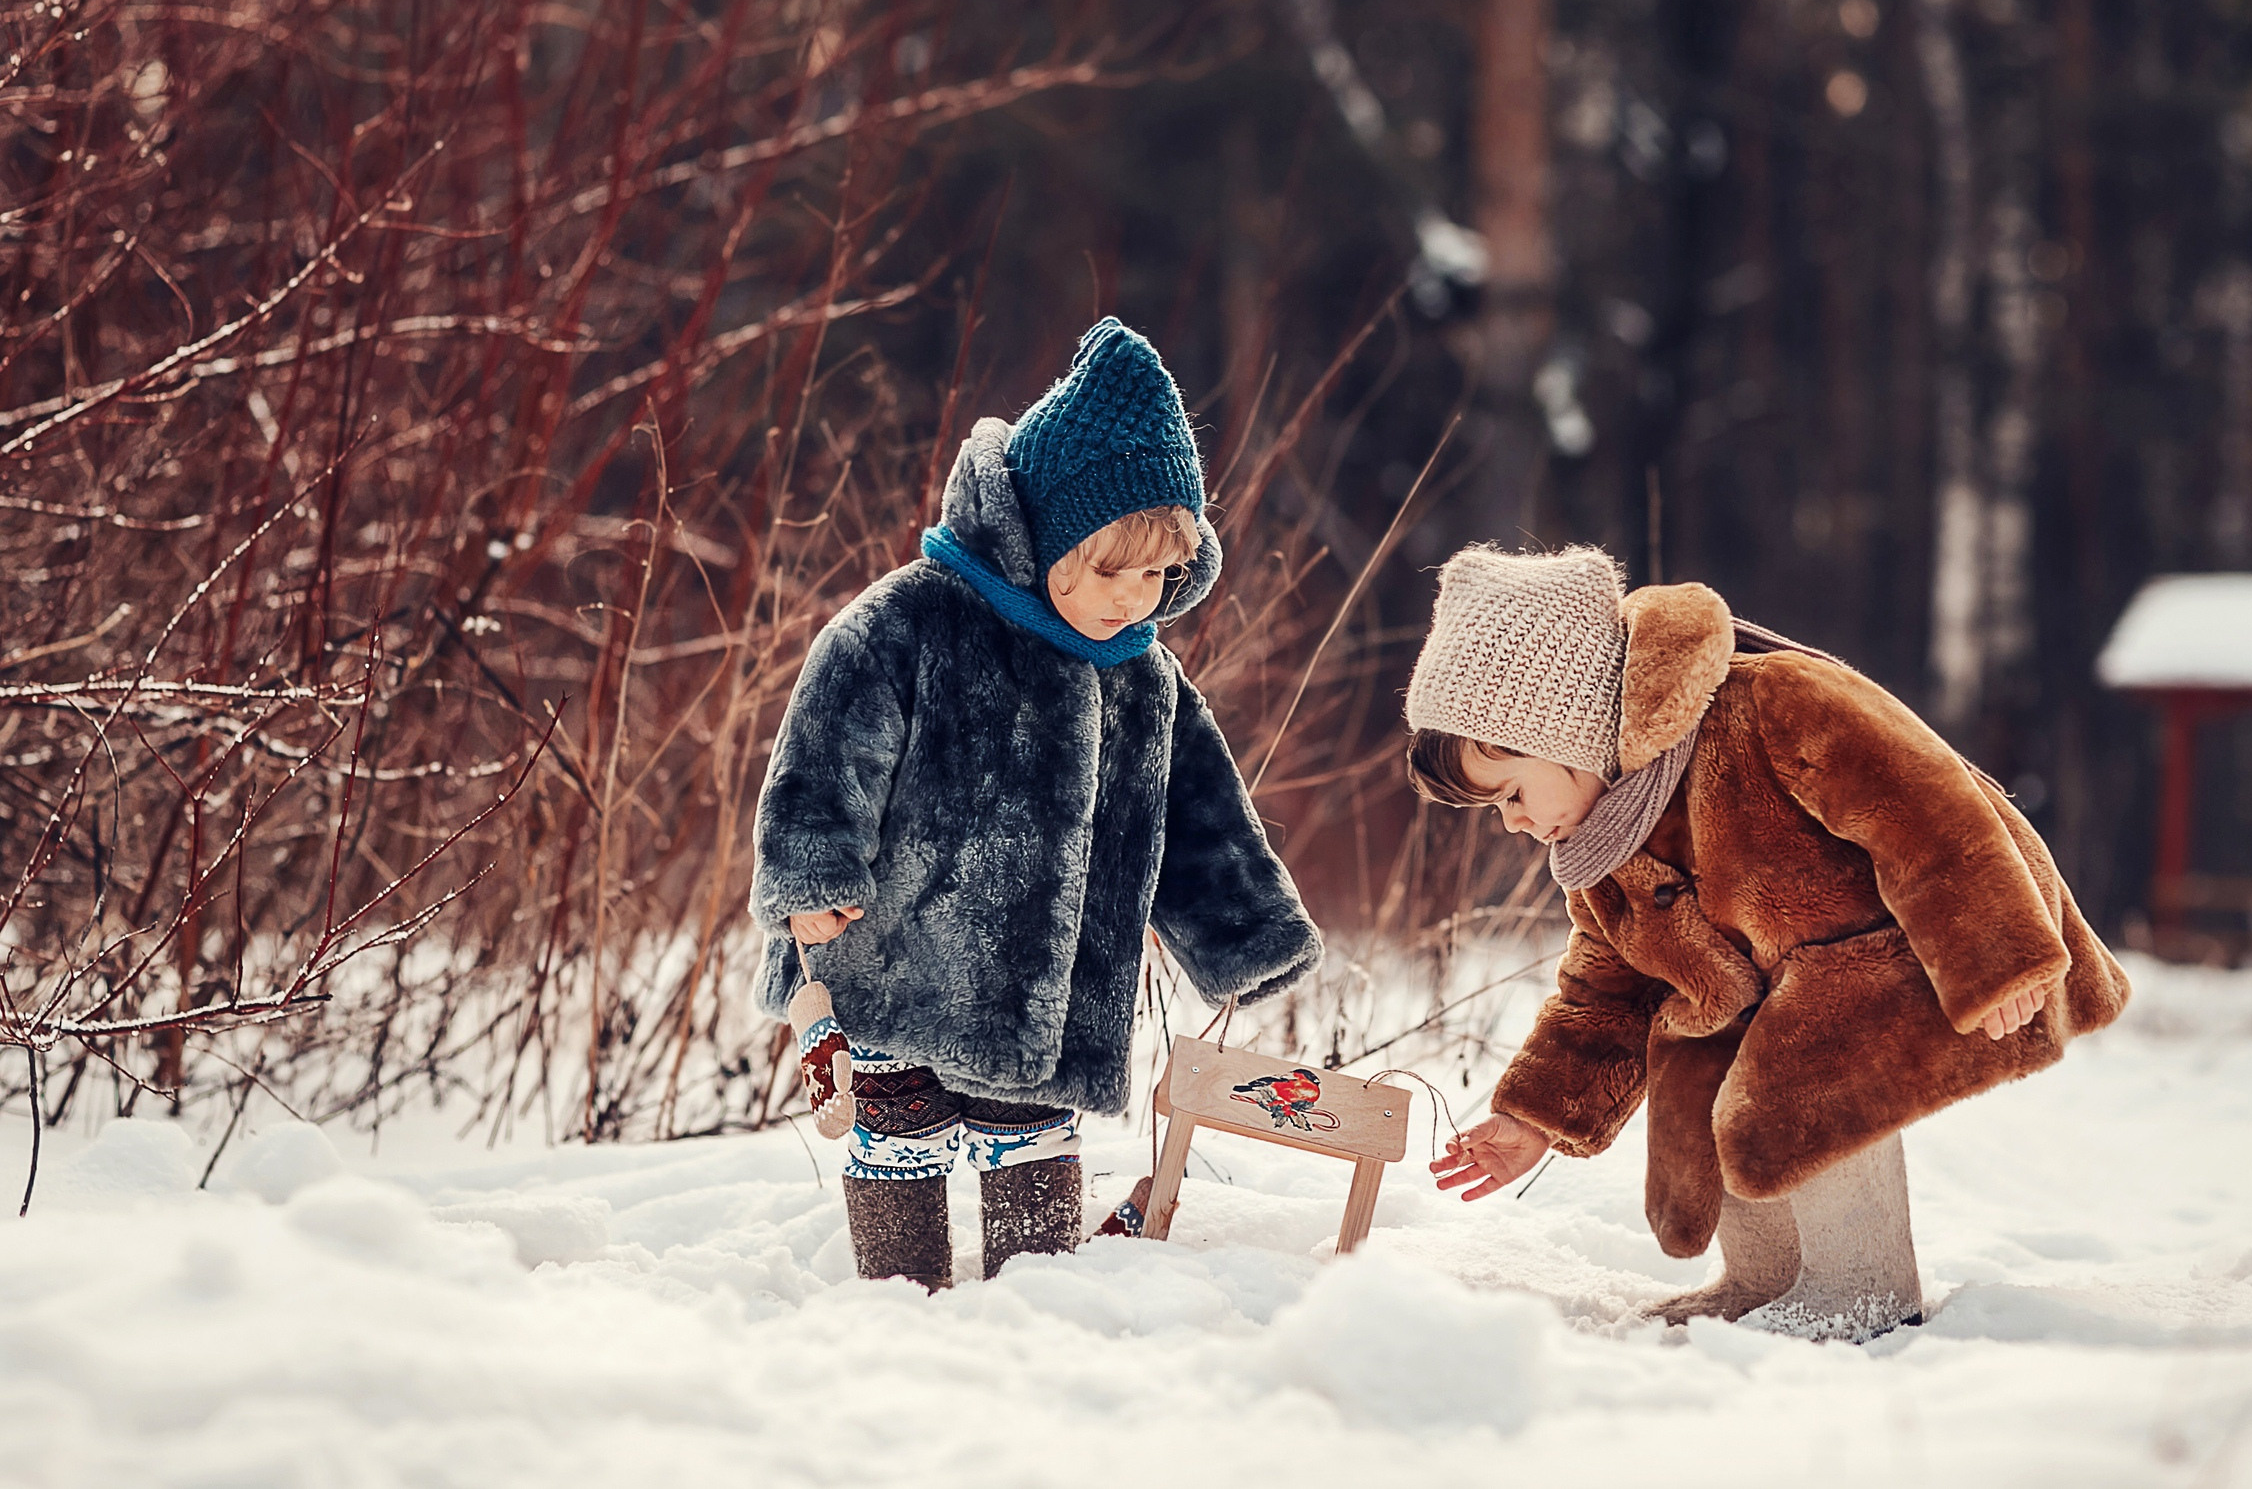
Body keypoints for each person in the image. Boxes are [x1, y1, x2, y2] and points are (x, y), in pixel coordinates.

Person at [1407, 545, 2129, 1340]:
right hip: (1804, 976)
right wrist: (1535, 1117)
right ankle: (1765, 1277)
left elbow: (1929, 809)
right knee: (1704, 1048)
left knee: (1803, 1063)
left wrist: (1999, 958)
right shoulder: (1603, 854)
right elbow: (1604, 993)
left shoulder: (1767, 707)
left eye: (1510, 791)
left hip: (1943, 931)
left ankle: (1864, 1285)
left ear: (1565, 726)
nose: (1512, 821)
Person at [748, 318, 1322, 1289]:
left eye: (1159, 575)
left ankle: (1043, 1310)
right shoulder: (914, 622)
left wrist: (1244, 940)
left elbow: (1202, 823)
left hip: (1050, 998)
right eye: (1110, 570)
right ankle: (901, 1300)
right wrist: (812, 876)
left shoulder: (1145, 680)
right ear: (1042, 534)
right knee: (897, 1127)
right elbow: (825, 747)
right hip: (894, 957)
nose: (1135, 599)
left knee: (1031, 1143)